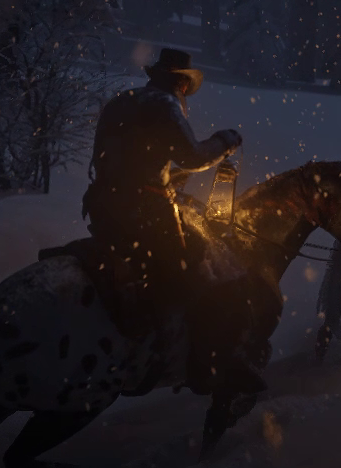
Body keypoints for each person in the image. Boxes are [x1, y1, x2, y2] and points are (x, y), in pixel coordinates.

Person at [82, 48, 261, 394]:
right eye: (185, 87)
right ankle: (202, 360)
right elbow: (191, 156)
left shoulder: (123, 101)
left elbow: (127, 158)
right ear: (181, 83)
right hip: (143, 213)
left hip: (104, 207)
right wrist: (225, 141)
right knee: (198, 267)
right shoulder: (164, 104)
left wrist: (163, 179)